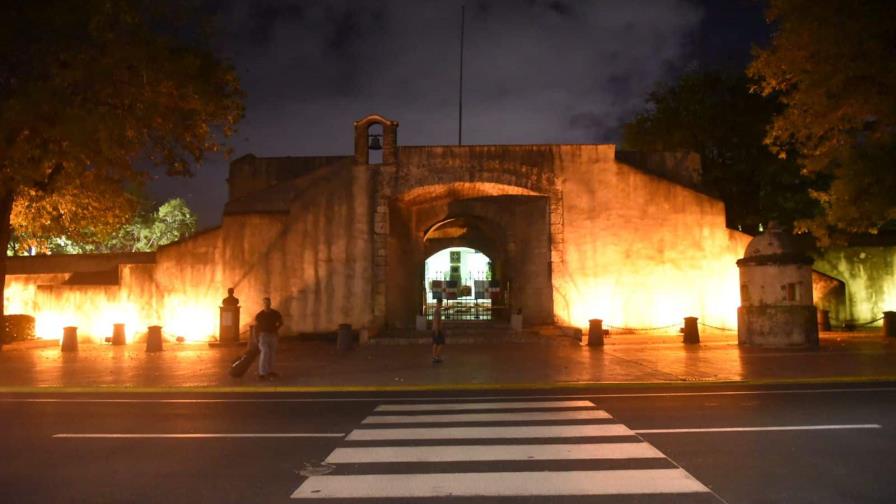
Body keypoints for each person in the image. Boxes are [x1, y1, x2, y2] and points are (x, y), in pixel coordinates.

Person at [254, 297, 283, 380]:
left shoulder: (275, 313)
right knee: (265, 352)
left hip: (273, 335)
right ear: (263, 304)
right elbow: (256, 327)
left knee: (272, 354)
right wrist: (256, 338)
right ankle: (262, 373)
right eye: (265, 303)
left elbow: (281, 322)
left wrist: (276, 329)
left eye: (268, 303)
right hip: (263, 335)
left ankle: (270, 371)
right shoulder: (260, 315)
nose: (267, 304)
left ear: (270, 303)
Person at [432, 298, 445, 363]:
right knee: (441, 343)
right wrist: (437, 330)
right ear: (439, 303)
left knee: (436, 343)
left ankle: (435, 356)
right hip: (437, 330)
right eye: (441, 303)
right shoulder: (437, 311)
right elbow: (436, 321)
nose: (442, 305)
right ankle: (436, 356)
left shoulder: (437, 310)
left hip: (436, 329)